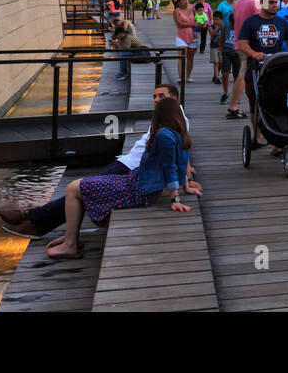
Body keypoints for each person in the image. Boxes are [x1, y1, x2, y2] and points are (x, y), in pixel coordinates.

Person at [0, 83, 196, 238]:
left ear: (174, 99)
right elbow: (182, 152)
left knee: (82, 190)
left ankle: (35, 220)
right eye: (154, 96)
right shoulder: (169, 119)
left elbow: (177, 155)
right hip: (129, 164)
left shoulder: (173, 125)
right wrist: (186, 182)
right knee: (83, 189)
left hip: (131, 169)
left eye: (162, 96)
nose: (156, 100)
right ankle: (37, 221)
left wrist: (179, 191)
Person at [47, 96, 197, 260]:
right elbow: (181, 164)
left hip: (136, 189)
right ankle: (71, 236)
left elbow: (171, 168)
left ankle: (70, 244)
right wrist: (187, 186)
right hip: (136, 182)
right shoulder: (179, 134)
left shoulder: (164, 135)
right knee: (82, 186)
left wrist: (175, 199)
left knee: (73, 188)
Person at [235, 0, 288, 150]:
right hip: (255, 68)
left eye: (276, 3)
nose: (275, 6)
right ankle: (258, 135)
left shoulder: (282, 23)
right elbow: (242, 43)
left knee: (277, 102)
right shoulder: (251, 22)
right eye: (271, 3)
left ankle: (277, 137)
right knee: (254, 102)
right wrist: (254, 54)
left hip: (275, 69)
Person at [226, 0, 264, 119]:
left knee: (242, 73)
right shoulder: (255, 3)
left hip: (238, 42)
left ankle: (233, 106)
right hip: (250, 45)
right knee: (243, 75)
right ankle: (234, 107)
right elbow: (259, 24)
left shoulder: (239, 1)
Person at [172, 0, 198, 82]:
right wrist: (192, 24)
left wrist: (195, 29)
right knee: (182, 56)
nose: (186, 1)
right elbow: (180, 24)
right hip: (181, 37)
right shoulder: (176, 11)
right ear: (179, 2)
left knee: (191, 57)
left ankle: (188, 76)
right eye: (183, 0)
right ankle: (180, 77)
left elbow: (197, 21)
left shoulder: (192, 10)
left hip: (192, 36)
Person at [208, 12, 228, 103]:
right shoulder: (211, 26)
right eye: (214, 20)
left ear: (221, 20)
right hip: (213, 47)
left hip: (221, 47)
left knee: (221, 63)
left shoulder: (224, 27)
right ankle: (216, 77)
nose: (216, 21)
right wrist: (216, 27)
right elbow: (212, 35)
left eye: (218, 20)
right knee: (216, 62)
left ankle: (215, 75)